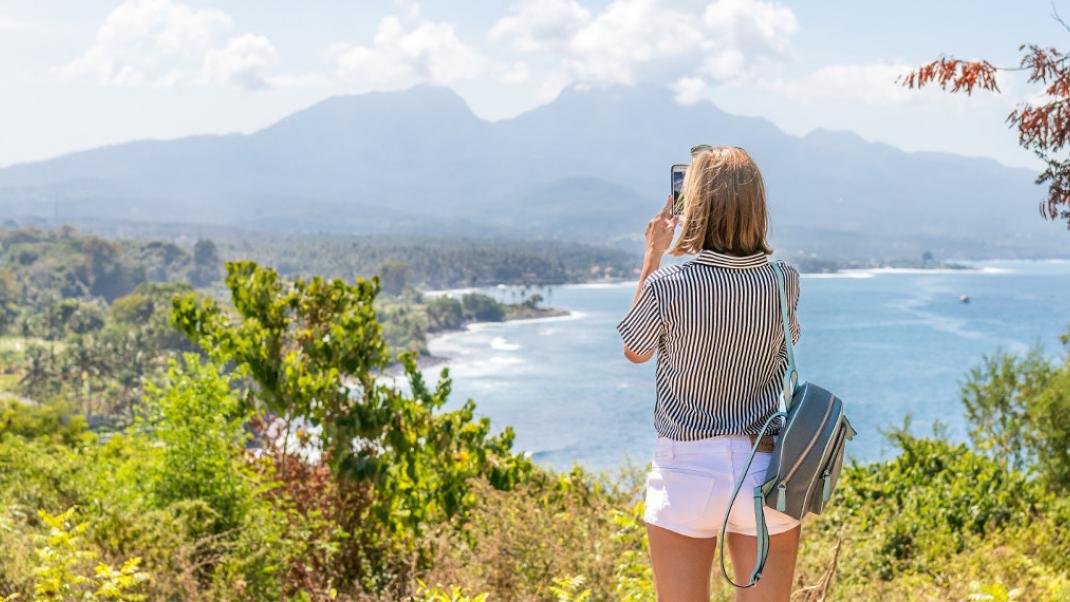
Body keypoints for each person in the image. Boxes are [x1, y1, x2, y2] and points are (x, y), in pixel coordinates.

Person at [616, 146, 802, 602]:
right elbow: (786, 344)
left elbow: (636, 350)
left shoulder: (670, 284)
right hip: (763, 466)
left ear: (695, 206)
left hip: (686, 468)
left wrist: (652, 256)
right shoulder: (784, 280)